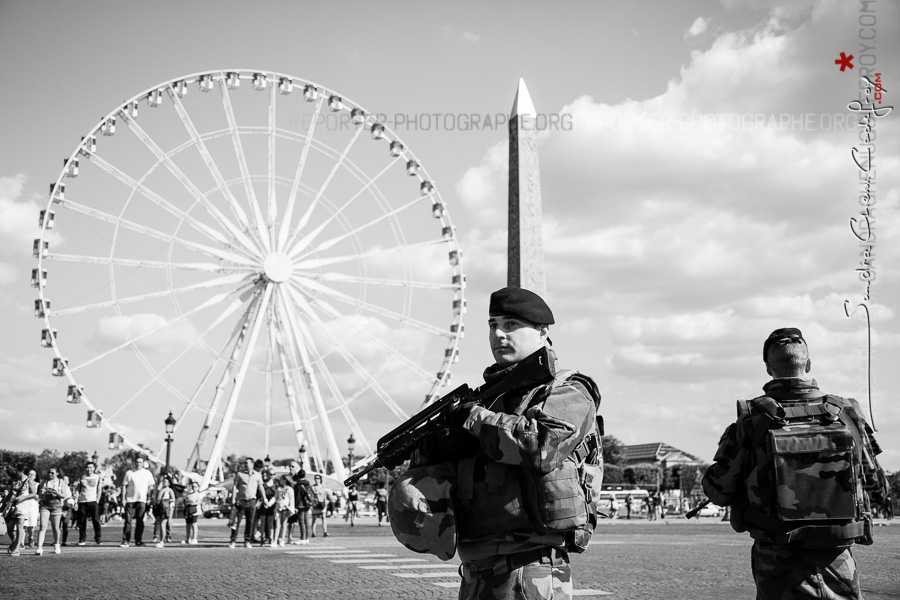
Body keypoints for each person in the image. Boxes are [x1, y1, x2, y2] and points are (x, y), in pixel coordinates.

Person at [398, 287, 602, 600]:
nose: (499, 334)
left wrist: (472, 418)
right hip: (476, 570)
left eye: (510, 325)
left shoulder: (569, 390)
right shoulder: (488, 399)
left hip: (529, 568)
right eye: (493, 325)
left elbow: (543, 447)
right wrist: (436, 447)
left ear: (542, 332)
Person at [702, 328, 889, 600]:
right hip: (837, 560)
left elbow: (718, 491)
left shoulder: (751, 420)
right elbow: (878, 488)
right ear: (809, 364)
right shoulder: (847, 413)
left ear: (768, 369)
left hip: (776, 564)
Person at [120, 456, 155, 547]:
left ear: (143, 463)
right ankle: (126, 540)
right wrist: (123, 498)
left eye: (140, 462)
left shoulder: (147, 473)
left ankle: (138, 540)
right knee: (128, 521)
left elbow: (151, 487)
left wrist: (149, 498)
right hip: (130, 500)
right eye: (137, 462)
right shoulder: (129, 473)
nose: (138, 463)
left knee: (140, 521)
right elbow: (124, 485)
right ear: (134, 463)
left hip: (141, 500)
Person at [229, 457, 264, 548]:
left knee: (250, 522)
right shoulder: (240, 474)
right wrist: (233, 498)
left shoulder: (257, 475)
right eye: (244, 463)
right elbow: (235, 487)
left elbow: (261, 487)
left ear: (252, 464)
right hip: (241, 501)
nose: (244, 465)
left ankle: (247, 540)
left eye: (246, 463)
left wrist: (264, 498)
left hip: (252, 501)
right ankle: (233, 540)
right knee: (236, 522)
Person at [36, 466, 69, 555]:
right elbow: (39, 495)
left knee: (55, 527)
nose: (50, 474)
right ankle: (39, 547)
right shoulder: (44, 482)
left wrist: (56, 492)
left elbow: (63, 495)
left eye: (52, 473)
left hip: (56, 506)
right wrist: (43, 493)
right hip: (45, 505)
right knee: (43, 526)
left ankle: (57, 545)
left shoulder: (61, 482)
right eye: (49, 472)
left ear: (57, 473)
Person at [5, 466, 36, 557]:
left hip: (23, 506)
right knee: (9, 528)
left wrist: (23, 497)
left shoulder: (29, 481)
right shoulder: (15, 481)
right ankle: (15, 542)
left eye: (16, 471)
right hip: (13, 507)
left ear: (21, 471)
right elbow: (10, 493)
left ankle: (17, 548)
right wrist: (3, 506)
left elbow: (34, 493)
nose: (15, 473)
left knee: (19, 526)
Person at [75, 461, 103, 545]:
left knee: (96, 520)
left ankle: (98, 538)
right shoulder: (82, 477)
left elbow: (99, 489)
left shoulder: (97, 477)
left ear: (94, 468)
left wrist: (97, 500)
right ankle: (82, 539)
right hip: (82, 501)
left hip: (93, 501)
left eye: (91, 467)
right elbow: (77, 489)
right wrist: (76, 500)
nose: (89, 469)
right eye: (87, 467)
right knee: (82, 521)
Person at [152, 476, 176, 547]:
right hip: (160, 507)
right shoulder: (161, 489)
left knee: (163, 524)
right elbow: (157, 496)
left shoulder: (169, 490)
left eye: (165, 482)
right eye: (163, 481)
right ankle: (160, 539)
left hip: (165, 507)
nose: (164, 483)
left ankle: (162, 540)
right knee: (159, 523)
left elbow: (173, 499)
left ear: (169, 483)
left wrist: (166, 501)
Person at [273, 475, 295, 547]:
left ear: (284, 480)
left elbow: (292, 500)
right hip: (278, 508)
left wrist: (291, 510)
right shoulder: (279, 489)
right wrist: (269, 504)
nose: (280, 481)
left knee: (284, 525)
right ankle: (275, 541)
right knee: (277, 525)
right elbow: (275, 498)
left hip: (286, 508)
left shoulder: (289, 489)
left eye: (281, 480)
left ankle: (282, 540)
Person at [291, 469, 312, 545]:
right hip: (307, 504)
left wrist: (295, 506)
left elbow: (297, 496)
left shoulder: (298, 485)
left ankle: (302, 538)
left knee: (301, 522)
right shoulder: (308, 483)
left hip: (300, 505)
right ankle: (307, 538)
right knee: (307, 522)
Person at [21, 469, 39, 547]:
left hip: (33, 505)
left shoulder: (38, 485)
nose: (31, 476)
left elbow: (39, 495)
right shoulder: (23, 483)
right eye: (29, 474)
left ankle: (31, 537)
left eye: (33, 474)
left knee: (31, 525)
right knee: (23, 524)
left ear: (35, 476)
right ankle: (21, 543)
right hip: (24, 504)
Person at [181, 480, 202, 545]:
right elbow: (185, 502)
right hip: (188, 511)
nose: (194, 488)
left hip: (195, 511)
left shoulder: (199, 495)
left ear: (198, 487)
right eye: (193, 486)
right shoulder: (189, 494)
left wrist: (191, 501)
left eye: (195, 486)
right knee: (188, 525)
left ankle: (194, 539)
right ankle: (188, 539)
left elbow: (197, 502)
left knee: (194, 524)